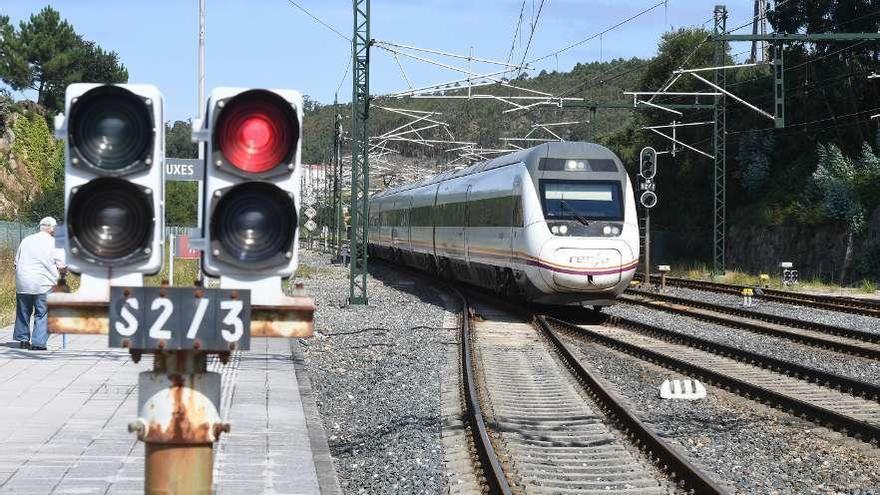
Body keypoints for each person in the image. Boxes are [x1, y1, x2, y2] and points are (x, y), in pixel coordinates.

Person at [13, 217, 65, 350]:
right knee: (43, 312)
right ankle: (38, 343)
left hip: (23, 282)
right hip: (43, 283)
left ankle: (23, 339)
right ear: (52, 228)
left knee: (23, 312)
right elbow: (62, 264)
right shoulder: (55, 243)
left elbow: (16, 262)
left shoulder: (26, 240)